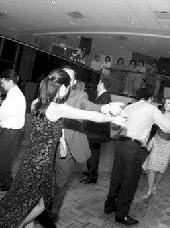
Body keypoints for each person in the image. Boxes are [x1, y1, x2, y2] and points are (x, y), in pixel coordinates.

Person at [0, 69, 126, 228]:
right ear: (64, 87)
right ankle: (13, 225)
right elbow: (92, 116)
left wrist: (61, 139)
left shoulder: (36, 102)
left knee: (30, 202)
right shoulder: (57, 108)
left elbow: (46, 129)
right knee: (41, 205)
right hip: (41, 165)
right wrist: (113, 116)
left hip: (29, 160)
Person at [49, 66, 125, 222]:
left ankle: (54, 210)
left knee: (60, 182)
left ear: (74, 82)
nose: (64, 79)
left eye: (68, 77)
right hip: (46, 145)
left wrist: (105, 108)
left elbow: (89, 107)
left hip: (67, 148)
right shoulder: (49, 93)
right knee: (44, 179)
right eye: (62, 75)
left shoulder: (79, 95)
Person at [104, 89, 170, 226]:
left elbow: (115, 126)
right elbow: (166, 127)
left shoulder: (129, 106)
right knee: (129, 182)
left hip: (120, 145)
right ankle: (121, 215)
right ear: (150, 98)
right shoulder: (150, 108)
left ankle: (109, 206)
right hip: (133, 147)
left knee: (116, 177)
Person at [0, 69, 26, 192]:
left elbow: (2, 114)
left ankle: (8, 183)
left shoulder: (14, 96)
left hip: (11, 132)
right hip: (10, 131)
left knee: (0, 157)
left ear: (9, 81)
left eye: (2, 82)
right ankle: (2, 177)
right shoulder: (14, 94)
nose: (1, 85)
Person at [80, 78, 112, 184]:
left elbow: (98, 113)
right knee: (93, 153)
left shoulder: (105, 96)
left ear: (102, 84)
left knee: (93, 153)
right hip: (95, 131)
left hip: (97, 132)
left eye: (99, 83)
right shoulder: (102, 96)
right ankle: (91, 171)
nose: (97, 85)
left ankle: (92, 176)